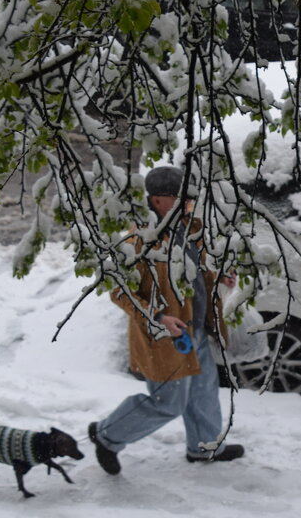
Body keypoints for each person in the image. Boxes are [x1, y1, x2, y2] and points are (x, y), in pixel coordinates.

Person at [88, 165, 244, 474]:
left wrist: (219, 276)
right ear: (158, 200)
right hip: (164, 338)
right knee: (167, 403)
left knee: (203, 391)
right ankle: (107, 435)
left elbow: (198, 272)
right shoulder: (138, 243)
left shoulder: (190, 228)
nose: (189, 205)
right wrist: (159, 317)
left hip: (196, 329)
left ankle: (204, 447)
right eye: (183, 200)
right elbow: (120, 292)